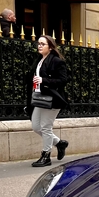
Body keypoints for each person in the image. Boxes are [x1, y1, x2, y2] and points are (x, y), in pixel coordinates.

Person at [26, 35, 69, 167]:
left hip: (52, 99)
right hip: (39, 97)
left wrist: (44, 80)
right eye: (38, 43)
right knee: (36, 126)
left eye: (42, 44)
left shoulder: (56, 61)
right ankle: (60, 143)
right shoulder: (39, 60)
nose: (39, 46)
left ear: (50, 46)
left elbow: (64, 80)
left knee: (45, 127)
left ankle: (46, 156)